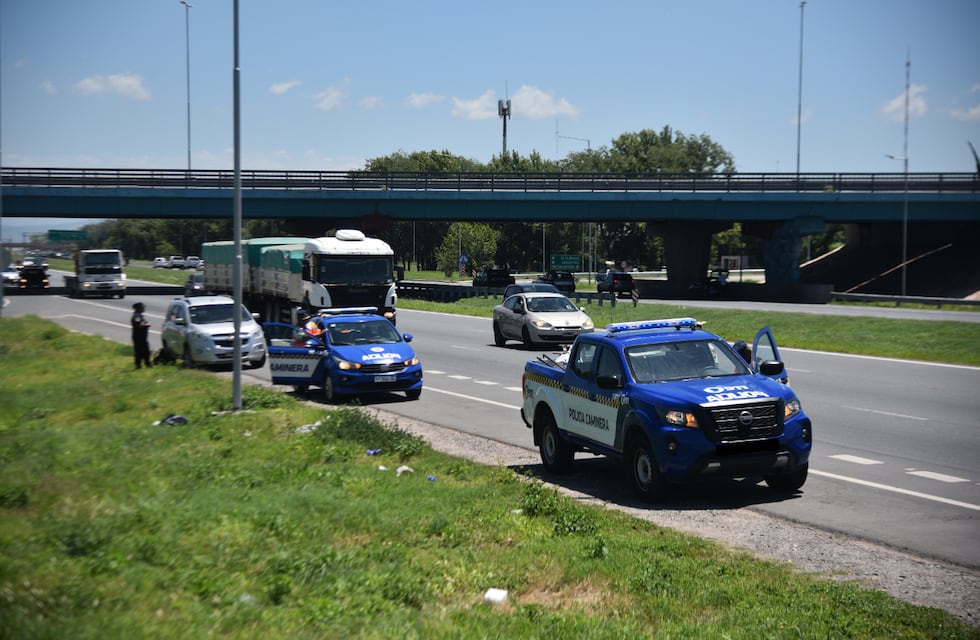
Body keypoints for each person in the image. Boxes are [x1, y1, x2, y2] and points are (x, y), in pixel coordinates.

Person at [131, 302, 152, 369]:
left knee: (145, 351)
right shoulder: (136, 316)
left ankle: (147, 363)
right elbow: (139, 325)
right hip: (138, 336)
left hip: (142, 336)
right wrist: (147, 325)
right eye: (143, 307)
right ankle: (139, 365)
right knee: (140, 351)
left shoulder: (140, 315)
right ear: (139, 308)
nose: (144, 308)